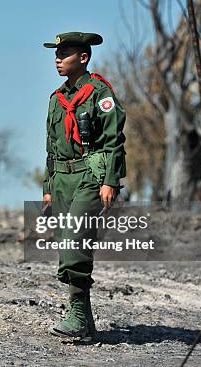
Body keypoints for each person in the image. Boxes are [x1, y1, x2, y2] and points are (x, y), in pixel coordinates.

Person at [42, 32, 126, 341]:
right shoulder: (56, 99)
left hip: (92, 175)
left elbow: (115, 140)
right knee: (68, 240)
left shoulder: (99, 93)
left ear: (83, 58)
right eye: (56, 54)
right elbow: (51, 147)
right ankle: (86, 322)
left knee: (75, 240)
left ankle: (75, 314)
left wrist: (110, 180)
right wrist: (48, 188)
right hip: (62, 178)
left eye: (64, 53)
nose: (57, 59)